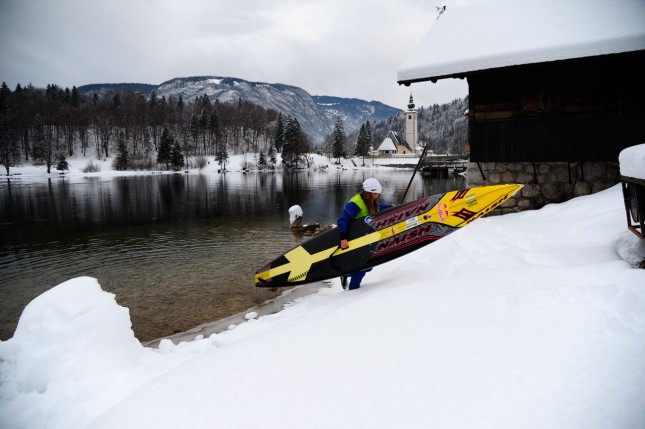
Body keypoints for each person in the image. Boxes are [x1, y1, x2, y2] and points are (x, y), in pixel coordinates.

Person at [337, 178, 389, 290]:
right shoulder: (355, 203)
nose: (377, 196)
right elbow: (343, 220)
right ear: (368, 193)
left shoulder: (370, 202)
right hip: (352, 238)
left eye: (377, 193)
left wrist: (391, 208)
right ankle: (353, 292)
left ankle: (346, 274)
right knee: (364, 267)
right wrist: (343, 238)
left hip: (364, 238)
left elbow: (378, 209)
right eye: (375, 193)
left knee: (368, 267)